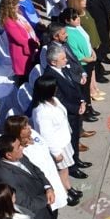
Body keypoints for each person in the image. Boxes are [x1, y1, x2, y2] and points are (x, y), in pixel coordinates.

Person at [41, 44, 91, 180]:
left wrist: (82, 100)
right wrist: (76, 108)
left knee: (75, 137)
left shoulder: (62, 68)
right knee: (71, 139)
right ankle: (73, 167)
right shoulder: (50, 77)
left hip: (76, 107)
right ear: (53, 62)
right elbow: (59, 99)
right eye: (63, 59)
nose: (66, 60)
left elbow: (74, 85)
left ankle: (77, 160)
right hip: (68, 113)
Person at [31, 77, 80, 206]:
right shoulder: (41, 112)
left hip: (64, 140)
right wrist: (56, 152)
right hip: (57, 146)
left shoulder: (54, 100)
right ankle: (64, 193)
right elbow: (46, 135)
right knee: (60, 171)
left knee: (65, 169)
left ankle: (69, 188)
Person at [60, 5, 99, 118]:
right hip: (83, 64)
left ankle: (90, 107)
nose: (78, 19)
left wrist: (92, 51)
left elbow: (87, 40)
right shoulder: (69, 33)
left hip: (90, 59)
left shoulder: (78, 27)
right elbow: (75, 52)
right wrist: (88, 59)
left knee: (87, 88)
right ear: (68, 20)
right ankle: (86, 111)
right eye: (75, 18)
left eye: (77, 17)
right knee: (84, 90)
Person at [80, 0, 110, 90]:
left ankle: (100, 69)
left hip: (99, 25)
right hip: (94, 29)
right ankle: (98, 74)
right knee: (95, 54)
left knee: (99, 49)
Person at [0, 0, 39, 85]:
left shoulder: (17, 15)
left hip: (30, 46)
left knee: (30, 69)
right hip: (21, 52)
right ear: (9, 8)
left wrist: (35, 38)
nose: (18, 6)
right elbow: (19, 39)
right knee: (24, 74)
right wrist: (33, 43)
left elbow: (28, 28)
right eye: (15, 5)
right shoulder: (8, 21)